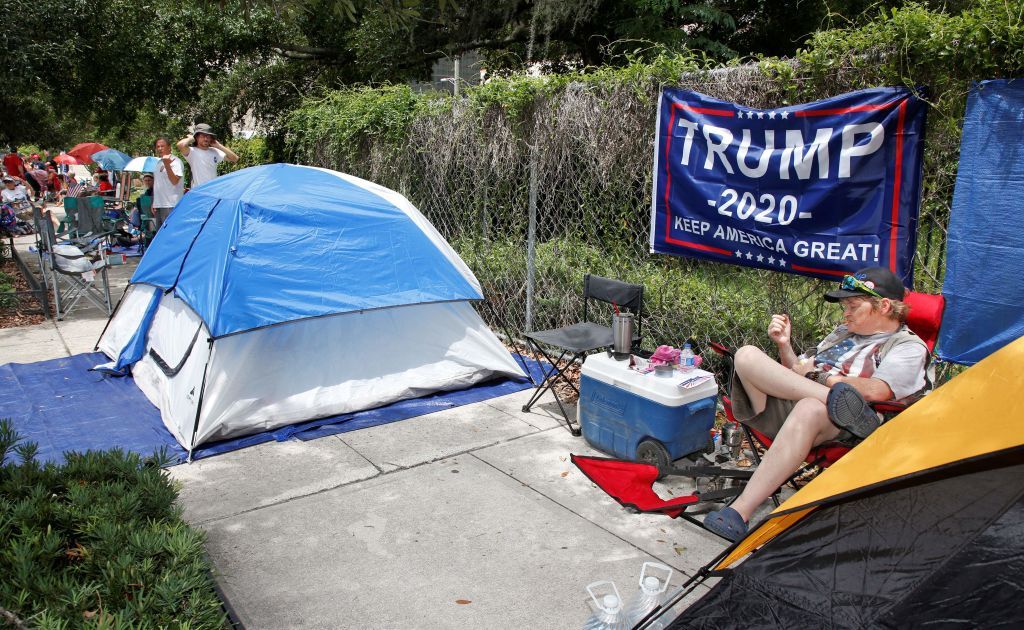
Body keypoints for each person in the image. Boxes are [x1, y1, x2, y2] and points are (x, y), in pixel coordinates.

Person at [703, 267, 929, 542]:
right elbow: (797, 373)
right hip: (804, 404)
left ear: (883, 306)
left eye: (853, 306)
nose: (845, 313)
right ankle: (837, 403)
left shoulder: (907, 347)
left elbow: (876, 391)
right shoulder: (842, 333)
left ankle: (740, 511)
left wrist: (819, 376)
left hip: (839, 427)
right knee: (746, 355)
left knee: (811, 405)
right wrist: (785, 347)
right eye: (844, 306)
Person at [177, 123, 238, 188]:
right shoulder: (191, 151)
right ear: (197, 137)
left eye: (208, 136)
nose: (206, 139)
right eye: (203, 136)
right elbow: (180, 145)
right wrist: (192, 138)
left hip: (213, 190)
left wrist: (219, 146)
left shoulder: (214, 151)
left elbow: (235, 158)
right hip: (199, 191)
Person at [152, 136, 184, 229]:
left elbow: (174, 181)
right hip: (159, 204)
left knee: (170, 233)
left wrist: (167, 164)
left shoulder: (176, 161)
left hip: (171, 204)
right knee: (159, 234)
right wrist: (154, 202)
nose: (160, 148)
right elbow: (157, 184)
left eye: (162, 146)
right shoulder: (158, 163)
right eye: (158, 147)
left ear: (169, 147)